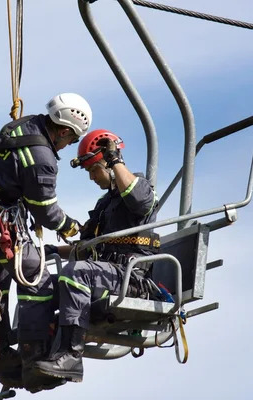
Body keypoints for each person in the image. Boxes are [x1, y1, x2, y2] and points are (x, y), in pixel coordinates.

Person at [0, 93, 93, 393]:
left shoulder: (27, 125)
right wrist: (72, 226)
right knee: (34, 273)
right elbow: (46, 210)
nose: (68, 146)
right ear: (63, 130)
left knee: (0, 276)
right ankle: (33, 355)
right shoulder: (42, 157)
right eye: (72, 140)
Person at [30, 128, 161, 383]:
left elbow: (140, 202)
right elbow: (87, 245)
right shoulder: (105, 205)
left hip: (130, 278)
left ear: (109, 164)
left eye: (93, 170)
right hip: (103, 275)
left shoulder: (141, 188)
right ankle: (35, 353)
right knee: (42, 282)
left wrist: (116, 161)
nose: (91, 178)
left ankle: (70, 356)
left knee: (75, 272)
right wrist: (53, 251)